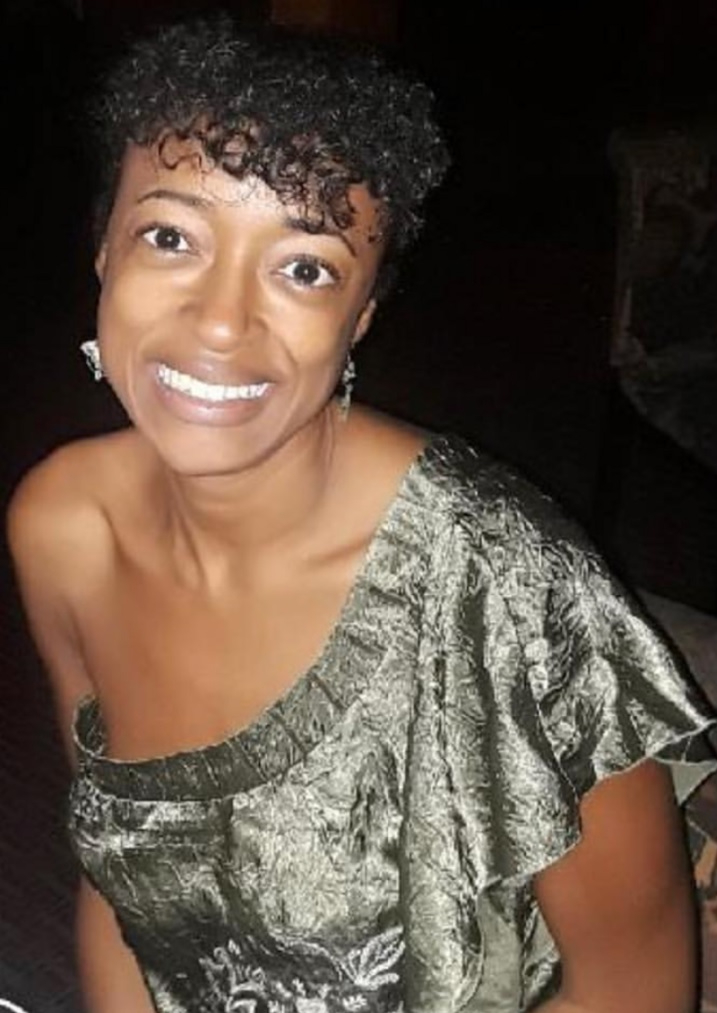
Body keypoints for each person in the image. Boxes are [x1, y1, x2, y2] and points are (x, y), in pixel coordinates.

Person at [6, 15, 715, 1013]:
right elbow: (116, 874)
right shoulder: (63, 527)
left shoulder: (504, 590)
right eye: (170, 237)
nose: (220, 321)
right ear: (104, 255)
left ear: (361, 317)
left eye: (305, 267)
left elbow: (634, 987)